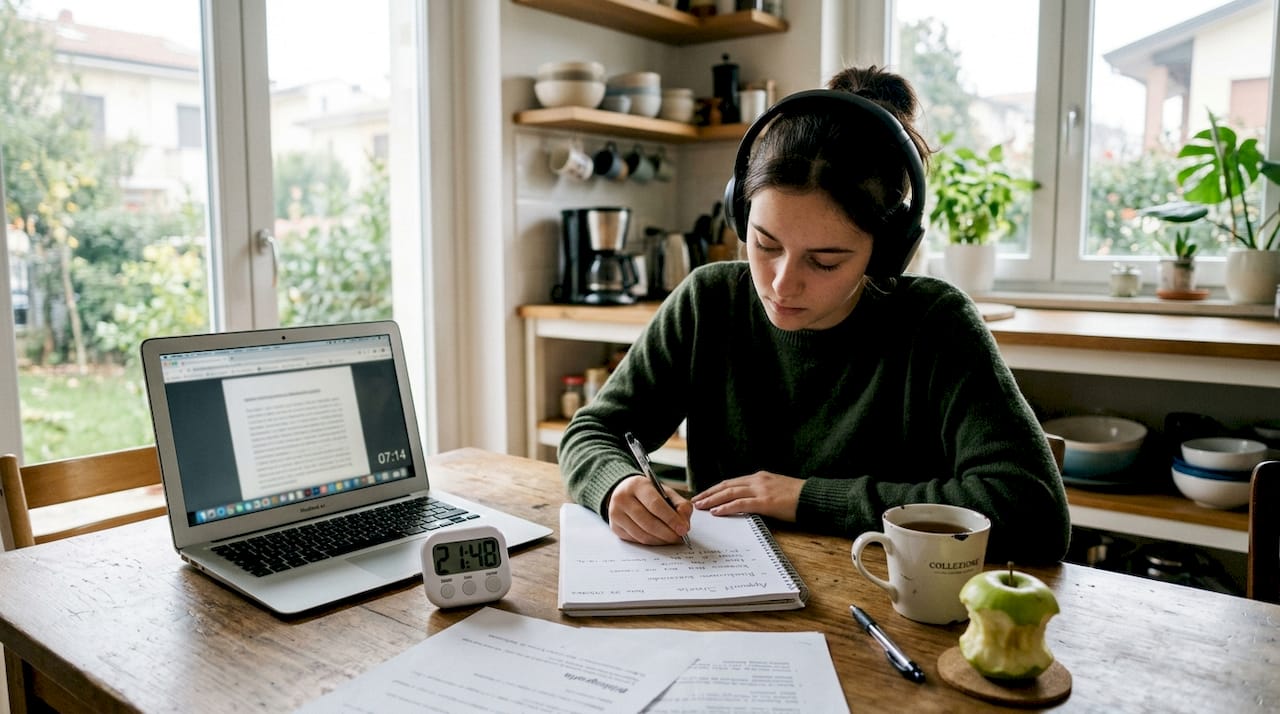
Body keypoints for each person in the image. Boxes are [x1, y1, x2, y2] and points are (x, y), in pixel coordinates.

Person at [558, 65, 1070, 565]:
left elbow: (1034, 514)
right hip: (723, 606)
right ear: (741, 212)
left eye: (825, 261)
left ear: (886, 252)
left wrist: (804, 497)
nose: (781, 284)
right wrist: (617, 485)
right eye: (764, 244)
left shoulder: (935, 325)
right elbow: (592, 433)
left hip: (881, 605)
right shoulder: (708, 301)